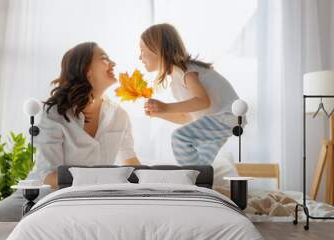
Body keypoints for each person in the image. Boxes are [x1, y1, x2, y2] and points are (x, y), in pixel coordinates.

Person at [30, 42, 140, 189]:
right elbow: (48, 176)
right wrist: (102, 182)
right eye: (104, 58)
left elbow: (129, 160)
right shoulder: (55, 115)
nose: (113, 63)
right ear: (86, 69)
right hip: (61, 198)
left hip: (101, 197)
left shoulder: (119, 115)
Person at [140, 23, 243, 165]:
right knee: (201, 163)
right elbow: (186, 117)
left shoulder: (187, 71)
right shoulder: (176, 81)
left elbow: (203, 101)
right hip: (224, 119)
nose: (140, 57)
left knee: (179, 138)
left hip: (226, 116)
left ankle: (190, 178)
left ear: (158, 50)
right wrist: (159, 113)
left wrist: (165, 107)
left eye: (142, 50)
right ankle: (199, 182)